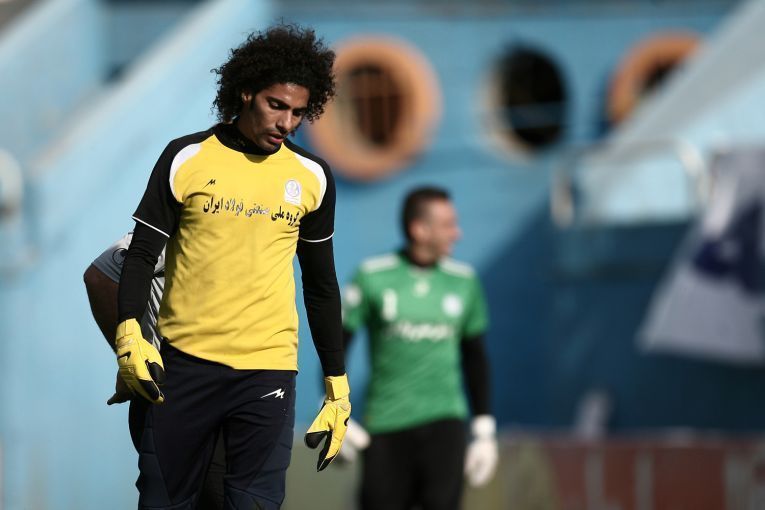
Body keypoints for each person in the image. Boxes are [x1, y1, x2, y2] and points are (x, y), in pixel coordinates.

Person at [112, 24, 350, 509]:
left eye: (298, 112)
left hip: (268, 372)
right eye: (276, 105)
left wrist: (336, 383)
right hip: (183, 367)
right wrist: (128, 332)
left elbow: (321, 285)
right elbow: (140, 255)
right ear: (246, 93)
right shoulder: (187, 156)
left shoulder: (312, 177)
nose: (286, 122)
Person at [342, 187, 499, 510]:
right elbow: (337, 346)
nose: (457, 233)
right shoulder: (372, 276)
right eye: (448, 225)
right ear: (419, 230)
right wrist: (334, 411)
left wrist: (484, 429)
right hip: (386, 424)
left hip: (445, 424)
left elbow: (475, 357)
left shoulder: (464, 281)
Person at [84, 234, 225, 509]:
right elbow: (98, 276)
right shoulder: (182, 226)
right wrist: (131, 356)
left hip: (232, 389)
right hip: (173, 394)